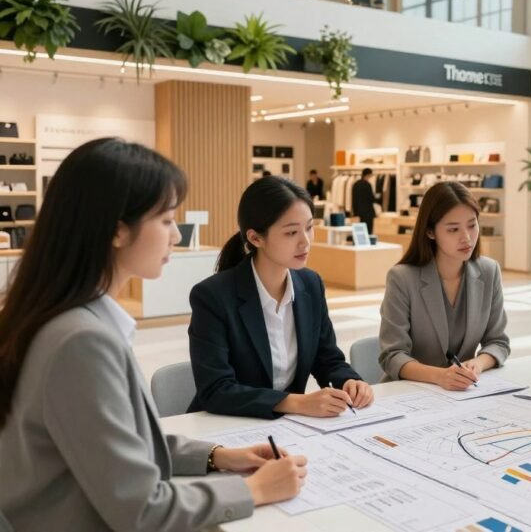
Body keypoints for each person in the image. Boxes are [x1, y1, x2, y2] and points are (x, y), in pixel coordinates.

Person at [0, 138, 306, 530]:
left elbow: (115, 444)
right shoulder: (81, 342)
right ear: (117, 231)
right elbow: (141, 509)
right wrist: (255, 490)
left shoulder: (60, 319)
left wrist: (216, 456)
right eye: (165, 220)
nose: (176, 235)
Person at [188, 176, 374, 419]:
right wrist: (296, 402)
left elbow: (327, 358)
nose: (305, 241)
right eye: (291, 232)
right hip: (224, 424)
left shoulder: (311, 284)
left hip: (286, 426)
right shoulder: (212, 296)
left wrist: (349, 381)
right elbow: (216, 390)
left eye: (309, 227)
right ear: (255, 238)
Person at [378, 182, 510, 390]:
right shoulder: (402, 278)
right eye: (453, 229)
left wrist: (477, 364)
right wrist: (440, 376)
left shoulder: (489, 271)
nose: (466, 237)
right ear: (430, 232)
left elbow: (498, 342)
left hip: (463, 392)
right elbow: (392, 355)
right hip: (409, 392)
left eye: (472, 225)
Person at [352, 167, 376, 234]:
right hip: (368, 212)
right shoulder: (367, 185)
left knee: (360, 231)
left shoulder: (356, 184)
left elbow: (354, 199)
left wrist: (354, 211)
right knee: (368, 231)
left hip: (358, 211)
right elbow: (371, 198)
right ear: (368, 175)